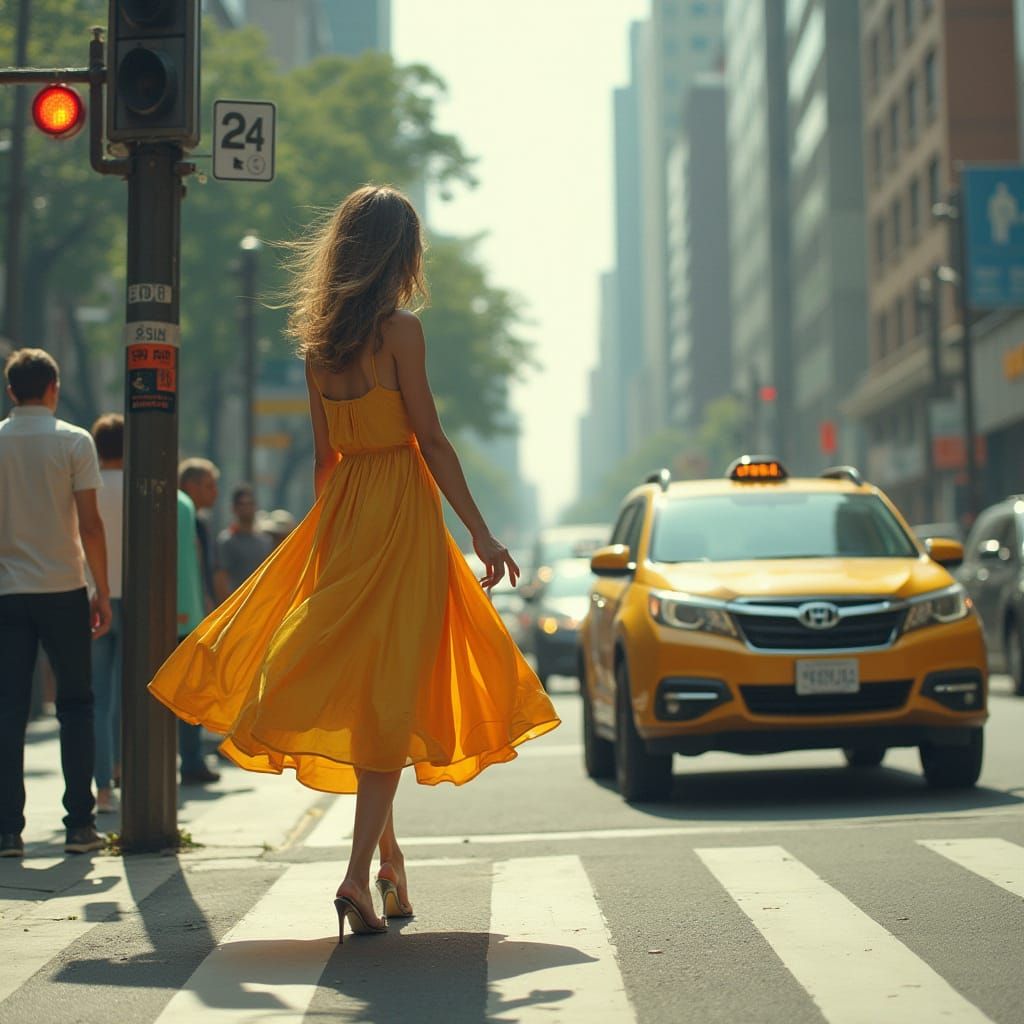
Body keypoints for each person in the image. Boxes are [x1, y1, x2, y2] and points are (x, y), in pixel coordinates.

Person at [148, 184, 559, 940]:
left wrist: (328, 545)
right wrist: (482, 533)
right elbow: (431, 440)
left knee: (375, 694)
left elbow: (324, 460)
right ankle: (354, 878)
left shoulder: (317, 347)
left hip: (347, 516)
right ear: (398, 255)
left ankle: (390, 863)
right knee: (391, 695)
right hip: (402, 515)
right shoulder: (400, 333)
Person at [0, 349, 111, 857]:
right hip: (64, 588)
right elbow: (89, 523)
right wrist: (101, 590)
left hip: (7, 592)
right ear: (54, 389)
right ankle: (78, 825)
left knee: (9, 712)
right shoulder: (74, 442)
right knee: (76, 706)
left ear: (9, 391)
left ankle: (7, 831)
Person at [89, 414, 124, 814]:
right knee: (128, 693)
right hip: (137, 598)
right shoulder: (143, 487)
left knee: (97, 696)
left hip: (95, 595)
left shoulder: (88, 487)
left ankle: (102, 789)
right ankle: (123, 769)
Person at [176, 486, 220, 785]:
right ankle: (191, 761)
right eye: (209, 483)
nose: (214, 491)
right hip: (185, 613)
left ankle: (115, 768)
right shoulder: (184, 507)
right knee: (190, 691)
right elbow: (195, 565)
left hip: (138, 610)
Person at [215, 484, 273, 600]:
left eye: (250, 504)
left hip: (260, 605)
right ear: (234, 508)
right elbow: (221, 578)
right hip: (237, 607)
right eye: (242, 504)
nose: (246, 508)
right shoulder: (226, 541)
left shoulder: (265, 541)